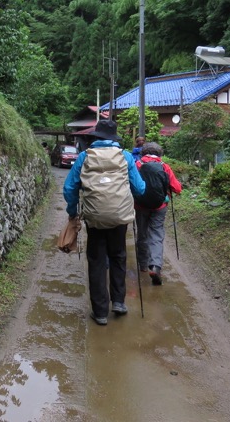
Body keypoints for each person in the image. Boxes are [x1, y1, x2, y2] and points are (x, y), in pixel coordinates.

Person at [63, 119, 146, 325]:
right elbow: (140, 189)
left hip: (94, 217)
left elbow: (69, 188)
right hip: (119, 218)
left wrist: (73, 212)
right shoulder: (125, 157)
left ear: (97, 137)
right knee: (118, 256)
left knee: (97, 260)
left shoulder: (84, 157)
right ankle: (118, 302)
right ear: (115, 139)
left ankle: (100, 312)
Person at [134, 142, 182, 286]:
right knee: (156, 234)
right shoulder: (164, 166)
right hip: (159, 206)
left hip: (141, 205)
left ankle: (143, 265)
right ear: (159, 153)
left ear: (143, 153)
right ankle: (155, 266)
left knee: (142, 233)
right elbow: (177, 188)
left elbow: (131, 182)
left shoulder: (138, 164)